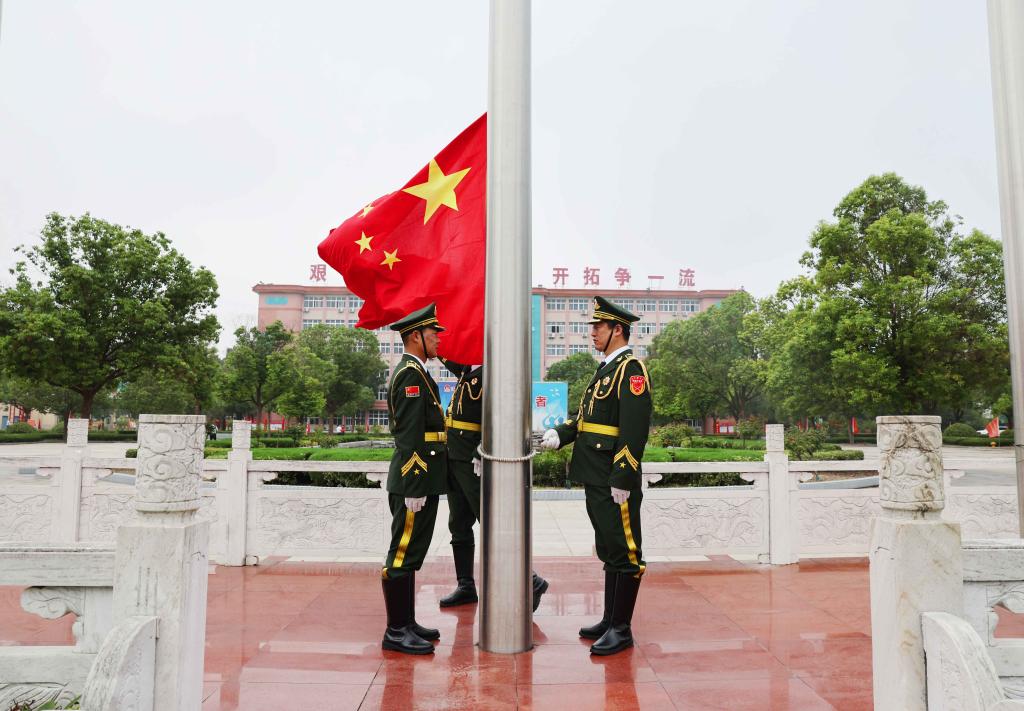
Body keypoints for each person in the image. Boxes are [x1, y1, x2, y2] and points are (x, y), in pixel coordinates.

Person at [539, 296, 652, 656]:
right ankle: (609, 620)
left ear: (617, 329)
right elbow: (586, 421)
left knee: (625, 551)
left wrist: (623, 476)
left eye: (598, 327)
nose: (592, 333)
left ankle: (622, 629)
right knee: (608, 548)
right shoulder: (606, 369)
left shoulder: (631, 370)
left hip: (612, 477)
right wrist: (561, 434)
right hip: (595, 474)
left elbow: (634, 430)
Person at [437, 359, 549, 611]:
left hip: (473, 460)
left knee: (491, 524)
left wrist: (482, 449)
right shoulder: (466, 369)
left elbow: (502, 416)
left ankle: (530, 580)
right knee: (458, 524)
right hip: (453, 456)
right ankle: (466, 585)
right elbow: (447, 352)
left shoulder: (493, 373)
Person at [379, 304, 449, 655]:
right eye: (433, 333)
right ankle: (395, 631)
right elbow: (410, 435)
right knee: (402, 553)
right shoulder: (410, 375)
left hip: (422, 479)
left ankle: (406, 622)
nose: (438, 339)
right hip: (414, 481)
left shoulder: (418, 372)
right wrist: (415, 483)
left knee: (413, 552)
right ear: (416, 336)